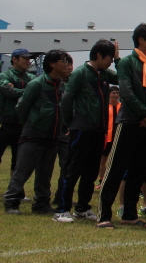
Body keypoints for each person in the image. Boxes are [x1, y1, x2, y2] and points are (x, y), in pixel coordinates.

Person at [97, 24, 146, 228]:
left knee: (139, 170)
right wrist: (145, 113)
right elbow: (126, 91)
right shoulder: (126, 63)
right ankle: (104, 215)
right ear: (140, 40)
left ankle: (130, 214)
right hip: (129, 122)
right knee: (116, 168)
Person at [56, 39, 119, 223]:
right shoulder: (80, 74)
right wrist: (69, 123)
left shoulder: (105, 74)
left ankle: (82, 207)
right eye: (109, 57)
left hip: (99, 130)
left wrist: (117, 59)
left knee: (91, 171)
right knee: (72, 169)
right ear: (99, 55)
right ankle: (62, 209)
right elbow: (66, 100)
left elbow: (124, 77)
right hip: (82, 128)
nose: (110, 61)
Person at [4, 49, 72, 215]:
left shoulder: (61, 85)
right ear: (52, 64)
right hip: (33, 133)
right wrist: (32, 122)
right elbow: (22, 107)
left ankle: (41, 203)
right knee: (23, 170)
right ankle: (11, 201)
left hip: (53, 134)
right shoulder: (37, 84)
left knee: (45, 173)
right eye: (62, 61)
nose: (66, 64)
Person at [0, 48, 37, 177]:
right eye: (24, 58)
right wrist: (28, 92)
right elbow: (8, 92)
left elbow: (36, 94)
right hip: (5, 122)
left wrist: (17, 90)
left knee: (18, 160)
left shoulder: (31, 77)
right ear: (14, 59)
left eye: (29, 58)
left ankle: (14, 191)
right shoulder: (5, 75)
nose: (28, 61)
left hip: (22, 123)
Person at [97, 86, 121, 188]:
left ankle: (117, 181)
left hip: (119, 138)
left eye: (117, 93)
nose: (115, 95)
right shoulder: (105, 107)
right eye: (113, 93)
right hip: (107, 138)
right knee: (103, 159)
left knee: (118, 161)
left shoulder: (122, 106)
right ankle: (101, 181)